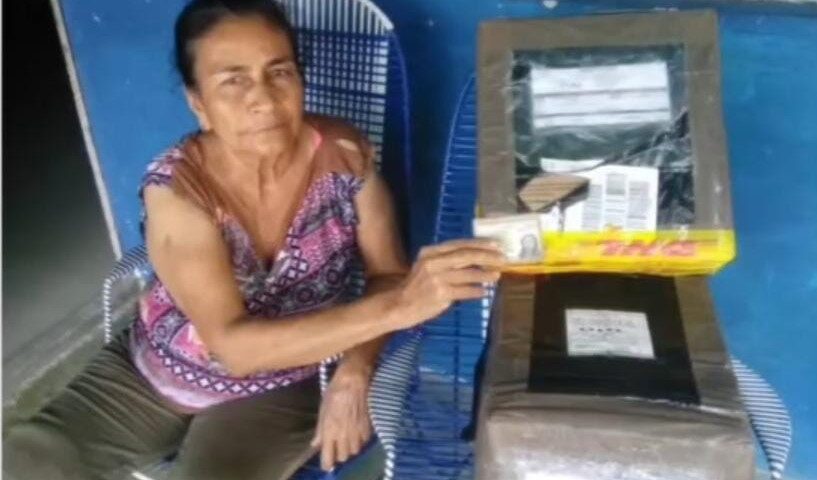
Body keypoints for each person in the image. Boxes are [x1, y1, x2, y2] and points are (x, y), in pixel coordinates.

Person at [2, 1, 504, 479]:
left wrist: (356, 370)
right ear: (198, 103)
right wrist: (401, 307)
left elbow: (387, 274)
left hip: (285, 379)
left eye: (279, 72)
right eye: (233, 81)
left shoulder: (345, 157)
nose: (263, 99)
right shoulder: (178, 192)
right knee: (26, 461)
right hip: (156, 368)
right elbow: (234, 348)